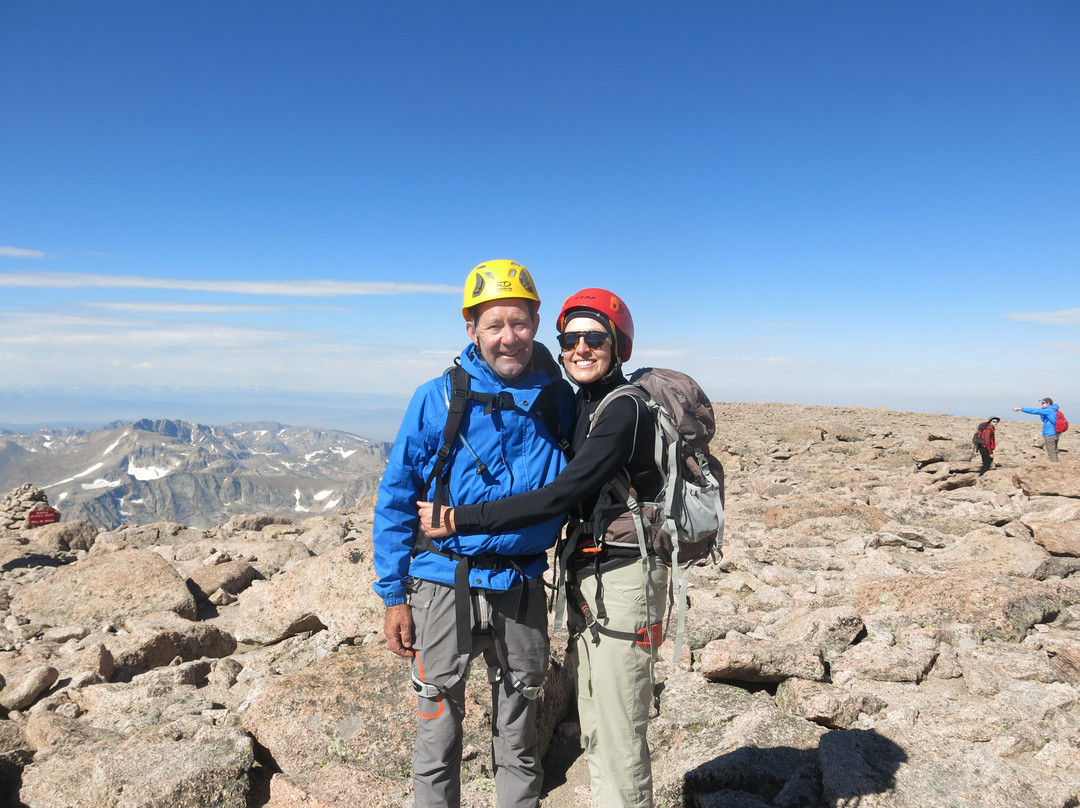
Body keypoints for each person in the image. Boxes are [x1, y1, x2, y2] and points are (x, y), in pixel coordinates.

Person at [418, 288, 668, 808]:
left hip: (624, 583)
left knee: (618, 728)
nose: (580, 347)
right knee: (597, 721)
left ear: (618, 344)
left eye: (594, 337)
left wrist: (459, 519)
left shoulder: (622, 412)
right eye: (570, 338)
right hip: (592, 580)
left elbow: (559, 495)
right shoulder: (581, 400)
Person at [372, 259, 575, 808]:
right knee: (437, 734)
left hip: (523, 586)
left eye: (520, 322)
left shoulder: (560, 400)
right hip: (441, 582)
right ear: (472, 330)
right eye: (494, 325)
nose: (508, 338)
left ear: (536, 322)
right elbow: (395, 498)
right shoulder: (435, 399)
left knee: (519, 734)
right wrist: (393, 596)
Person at [1013, 397, 1062, 462]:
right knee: (1054, 450)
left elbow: (1034, 411)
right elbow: (1044, 418)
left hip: (1050, 433)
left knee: (1051, 451)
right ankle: (1056, 463)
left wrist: (1021, 409)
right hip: (1055, 432)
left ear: (1048, 403)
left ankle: (1055, 465)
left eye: (1043, 403)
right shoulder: (1053, 410)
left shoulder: (1049, 410)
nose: (1041, 404)